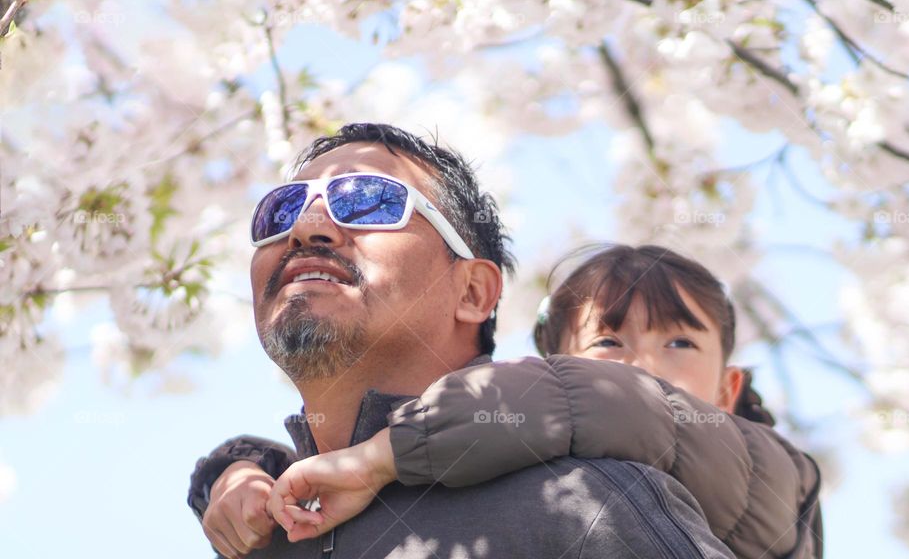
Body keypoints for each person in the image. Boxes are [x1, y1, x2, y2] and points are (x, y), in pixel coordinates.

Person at [188, 123, 735, 559]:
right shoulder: (257, 534)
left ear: (473, 290)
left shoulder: (585, 505)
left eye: (370, 201)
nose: (307, 226)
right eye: (279, 211)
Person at [196, 245, 822, 558]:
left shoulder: (767, 464)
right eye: (608, 340)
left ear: (727, 389)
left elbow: (611, 403)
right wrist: (240, 468)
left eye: (680, 341)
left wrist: (373, 462)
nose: (643, 365)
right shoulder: (544, 453)